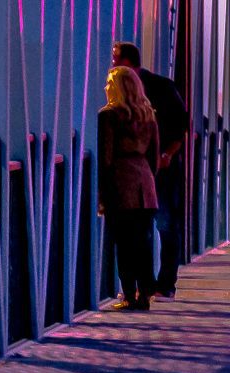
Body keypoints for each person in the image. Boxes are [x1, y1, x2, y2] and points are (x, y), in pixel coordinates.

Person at [112, 42, 189, 301]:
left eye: (116, 59)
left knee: (164, 224)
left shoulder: (161, 87)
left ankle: (165, 283)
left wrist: (167, 154)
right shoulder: (120, 92)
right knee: (144, 228)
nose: (112, 65)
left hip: (161, 170)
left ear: (129, 61)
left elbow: (181, 125)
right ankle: (146, 287)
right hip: (138, 172)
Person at [98, 66, 160, 310]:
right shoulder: (148, 115)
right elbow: (154, 157)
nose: (105, 87)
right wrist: (147, 178)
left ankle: (128, 295)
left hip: (121, 184)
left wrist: (102, 192)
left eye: (109, 83)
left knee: (123, 242)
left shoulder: (109, 115)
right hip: (145, 184)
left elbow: (106, 157)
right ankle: (145, 292)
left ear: (118, 87)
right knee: (143, 243)